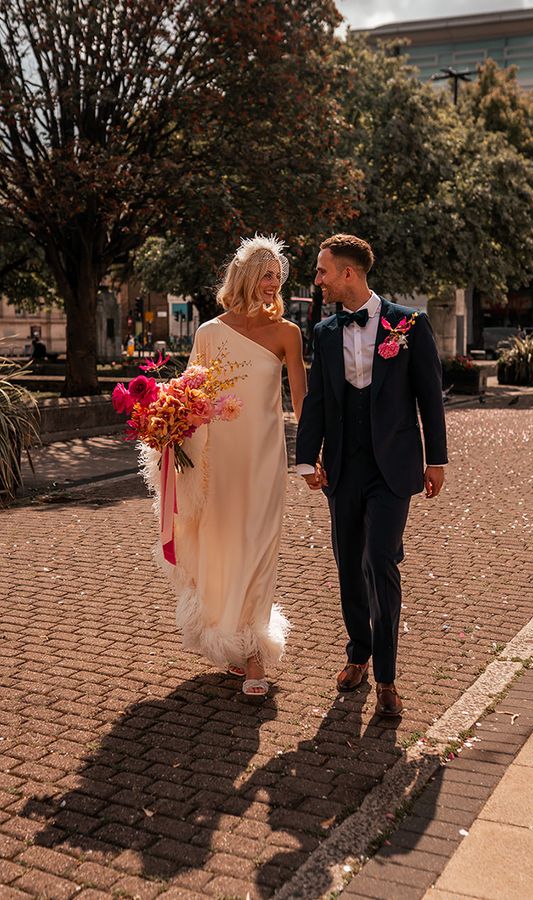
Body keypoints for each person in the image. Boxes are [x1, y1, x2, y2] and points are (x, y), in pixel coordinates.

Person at [144, 235, 306, 697]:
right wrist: (166, 426)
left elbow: (302, 401)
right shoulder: (209, 333)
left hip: (264, 461)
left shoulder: (288, 335)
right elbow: (189, 397)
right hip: (218, 463)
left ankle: (255, 656)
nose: (273, 284)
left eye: (278, 275)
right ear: (245, 277)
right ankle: (231, 638)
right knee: (222, 548)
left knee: (259, 548)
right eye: (265, 274)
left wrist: (315, 453)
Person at [296, 234, 447, 717]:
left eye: (322, 271)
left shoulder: (408, 323)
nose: (316, 279)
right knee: (347, 564)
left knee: (379, 560)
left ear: (347, 274)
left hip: (395, 465)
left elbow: (430, 394)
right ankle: (357, 651)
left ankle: (386, 677)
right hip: (343, 465)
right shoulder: (323, 332)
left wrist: (436, 459)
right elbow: (317, 401)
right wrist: (306, 459)